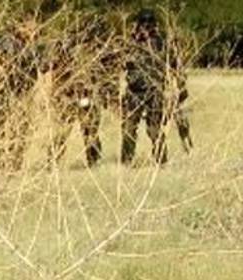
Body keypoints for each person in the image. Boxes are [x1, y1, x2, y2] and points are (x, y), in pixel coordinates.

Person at [46, 14, 121, 168]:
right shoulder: (67, 46)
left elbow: (108, 72)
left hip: (84, 95)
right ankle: (54, 162)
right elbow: (54, 70)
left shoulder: (97, 48)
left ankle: (91, 161)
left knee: (88, 130)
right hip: (70, 95)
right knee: (68, 131)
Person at [120, 8, 189, 165]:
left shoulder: (162, 43)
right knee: (128, 129)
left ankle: (161, 162)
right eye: (143, 22)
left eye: (149, 22)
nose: (146, 26)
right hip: (134, 92)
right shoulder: (130, 43)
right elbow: (118, 63)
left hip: (155, 92)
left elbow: (176, 66)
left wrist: (181, 87)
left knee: (155, 129)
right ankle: (126, 163)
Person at [0, 20, 43, 172]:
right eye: (29, 28)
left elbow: (44, 68)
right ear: (20, 26)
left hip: (25, 91)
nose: (32, 32)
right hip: (3, 89)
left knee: (22, 129)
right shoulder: (3, 38)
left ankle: (15, 164)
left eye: (34, 29)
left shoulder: (35, 46)